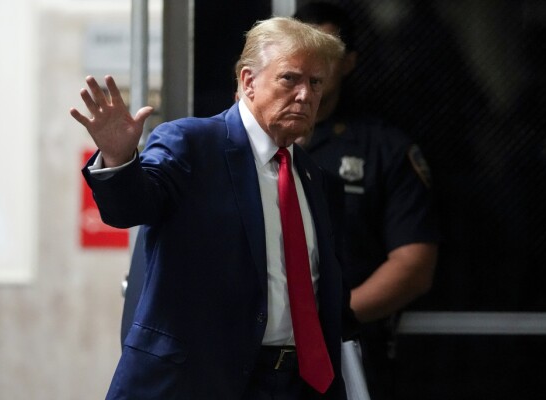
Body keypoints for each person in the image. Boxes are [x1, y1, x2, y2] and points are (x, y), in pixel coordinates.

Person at [71, 16, 351, 399]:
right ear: (248, 81)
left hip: (292, 384)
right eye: (291, 79)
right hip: (196, 383)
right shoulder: (191, 142)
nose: (305, 95)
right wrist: (118, 158)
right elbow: (129, 209)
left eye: (315, 83)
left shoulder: (312, 176)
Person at [293, 3, 440, 399]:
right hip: (252, 350)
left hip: (348, 350)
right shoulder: (244, 145)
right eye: (298, 52)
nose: (310, 68)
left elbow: (414, 265)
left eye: (325, 52)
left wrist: (325, 321)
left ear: (349, 62)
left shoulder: (383, 149)